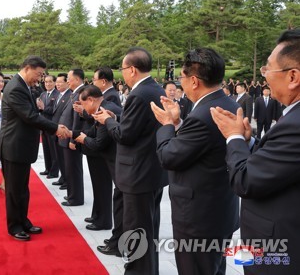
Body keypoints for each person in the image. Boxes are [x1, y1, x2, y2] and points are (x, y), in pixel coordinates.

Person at [211, 29, 300, 275]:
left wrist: (234, 137)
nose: (265, 77)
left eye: (267, 69)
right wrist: (249, 142)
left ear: (292, 76)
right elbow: (278, 162)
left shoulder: (296, 124)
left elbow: (246, 180)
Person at [150, 48, 240, 275]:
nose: (181, 83)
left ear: (194, 80)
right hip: (219, 208)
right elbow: (199, 146)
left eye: (181, 77)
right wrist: (179, 122)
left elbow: (169, 156)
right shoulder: (227, 103)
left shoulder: (202, 115)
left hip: (199, 216)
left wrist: (167, 125)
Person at [93, 47, 168, 275]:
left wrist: (107, 120)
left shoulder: (138, 94)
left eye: (123, 69)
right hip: (152, 170)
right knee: (149, 228)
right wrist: (118, 119)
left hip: (137, 172)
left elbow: (125, 136)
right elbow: (136, 127)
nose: (121, 73)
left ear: (133, 69)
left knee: (137, 230)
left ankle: (137, 271)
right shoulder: (156, 88)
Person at [0, 56, 68, 241]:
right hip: (13, 146)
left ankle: (23, 221)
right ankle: (15, 226)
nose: (39, 79)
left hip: (21, 146)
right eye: (38, 74)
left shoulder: (24, 86)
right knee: (14, 190)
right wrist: (55, 128)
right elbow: (30, 116)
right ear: (28, 68)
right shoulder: (15, 88)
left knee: (22, 189)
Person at [71, 85, 122, 231]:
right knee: (100, 188)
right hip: (105, 155)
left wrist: (83, 139)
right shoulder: (102, 107)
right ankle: (99, 217)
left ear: (91, 100)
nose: (84, 109)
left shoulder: (105, 109)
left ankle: (105, 222)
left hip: (111, 157)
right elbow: (93, 130)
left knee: (107, 190)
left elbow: (99, 142)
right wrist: (73, 134)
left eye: (84, 104)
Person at [59, 69, 85, 207]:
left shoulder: (81, 93)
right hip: (68, 135)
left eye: (69, 78)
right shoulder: (74, 93)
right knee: (70, 168)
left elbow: (77, 119)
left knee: (73, 168)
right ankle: (72, 194)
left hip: (72, 137)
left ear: (77, 79)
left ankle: (75, 198)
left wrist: (72, 139)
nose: (67, 81)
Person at [50, 73, 72, 188]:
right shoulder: (58, 94)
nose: (57, 84)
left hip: (63, 131)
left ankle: (67, 180)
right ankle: (63, 177)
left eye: (60, 82)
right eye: (56, 82)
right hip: (56, 130)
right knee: (58, 156)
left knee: (65, 159)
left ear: (67, 83)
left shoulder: (70, 95)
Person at [36, 74, 60, 178]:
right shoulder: (43, 94)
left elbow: (54, 110)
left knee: (54, 151)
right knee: (46, 149)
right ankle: (48, 168)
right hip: (43, 126)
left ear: (54, 83)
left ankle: (54, 172)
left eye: (50, 81)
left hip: (52, 126)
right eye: (46, 82)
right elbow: (39, 109)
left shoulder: (58, 94)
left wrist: (43, 107)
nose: (48, 84)